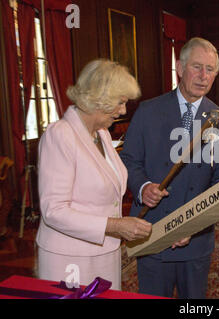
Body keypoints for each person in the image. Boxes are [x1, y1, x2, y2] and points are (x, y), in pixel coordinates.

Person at [120, 37, 219, 298]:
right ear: (180, 68)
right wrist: (142, 187)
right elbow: (129, 159)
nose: (203, 76)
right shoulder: (148, 111)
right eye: (197, 67)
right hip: (151, 231)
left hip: (196, 239)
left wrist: (192, 225)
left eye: (210, 70)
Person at [36, 59, 152, 290]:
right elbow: (54, 211)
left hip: (104, 251)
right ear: (99, 98)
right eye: (120, 103)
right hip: (69, 258)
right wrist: (115, 226)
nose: (123, 110)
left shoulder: (102, 135)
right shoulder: (60, 135)